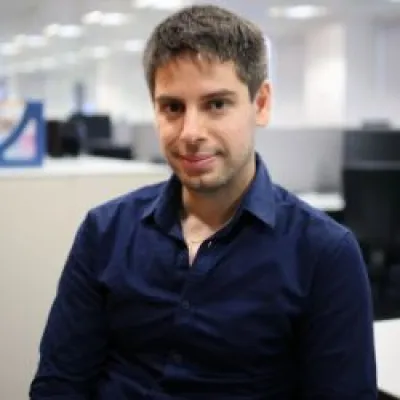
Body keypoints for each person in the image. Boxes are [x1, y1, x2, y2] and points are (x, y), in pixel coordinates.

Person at [30, 4, 377, 399]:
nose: (190, 132)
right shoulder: (105, 231)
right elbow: (60, 385)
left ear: (260, 104)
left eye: (216, 104)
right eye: (172, 107)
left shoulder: (324, 253)